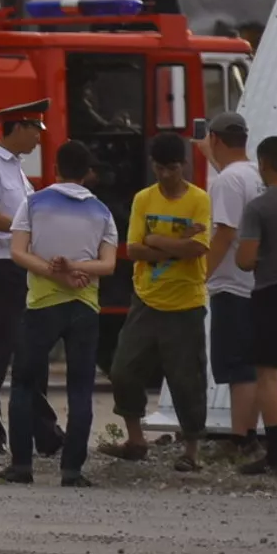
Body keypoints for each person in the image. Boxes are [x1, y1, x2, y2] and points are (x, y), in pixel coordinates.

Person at [0, 140, 119, 487]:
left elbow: (18, 252)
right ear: (88, 173)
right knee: (80, 388)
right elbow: (108, 265)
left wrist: (58, 272)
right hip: (85, 307)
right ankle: (72, 471)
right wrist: (76, 269)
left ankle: (21, 466)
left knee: (23, 384)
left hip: (42, 305)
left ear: (55, 168)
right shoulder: (102, 212)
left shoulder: (33, 203)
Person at [100, 131, 210, 471]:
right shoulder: (143, 199)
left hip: (186, 303)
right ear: (152, 165)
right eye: (160, 168)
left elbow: (199, 247)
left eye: (172, 168)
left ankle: (191, 451)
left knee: (186, 380)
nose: (165, 175)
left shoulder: (199, 200)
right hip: (146, 300)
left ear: (183, 165)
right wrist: (177, 244)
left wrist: (156, 240)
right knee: (123, 371)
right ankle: (136, 440)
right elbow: (133, 249)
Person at [0, 99, 64, 460]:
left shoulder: (18, 171)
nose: (39, 138)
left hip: (25, 268)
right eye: (35, 130)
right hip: (2, 268)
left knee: (33, 353)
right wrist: (29, 229)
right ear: (19, 127)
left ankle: (45, 435)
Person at [204, 111, 264, 462]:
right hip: (256, 283)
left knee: (237, 366)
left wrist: (200, 276)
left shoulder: (226, 181)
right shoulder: (256, 174)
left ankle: (241, 439)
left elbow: (224, 234)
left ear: (214, 138)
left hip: (232, 285)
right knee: (252, 365)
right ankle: (250, 434)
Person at [234, 134, 277, 476]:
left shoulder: (259, 207)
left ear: (263, 163)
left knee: (269, 375)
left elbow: (245, 259)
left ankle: (276, 455)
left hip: (272, 295)